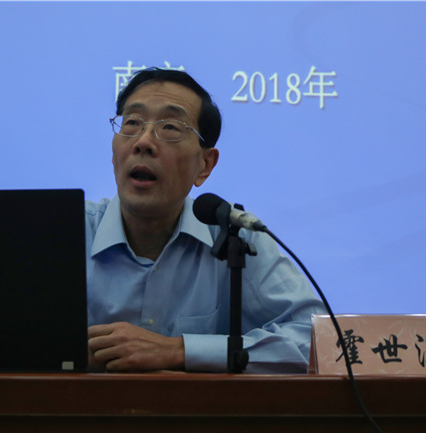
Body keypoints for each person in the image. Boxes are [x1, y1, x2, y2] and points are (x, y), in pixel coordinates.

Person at [85, 67, 325, 373]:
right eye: (132, 123)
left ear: (205, 165)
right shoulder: (67, 231)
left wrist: (179, 350)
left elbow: (317, 339)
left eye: (170, 127)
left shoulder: (236, 236)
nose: (143, 141)